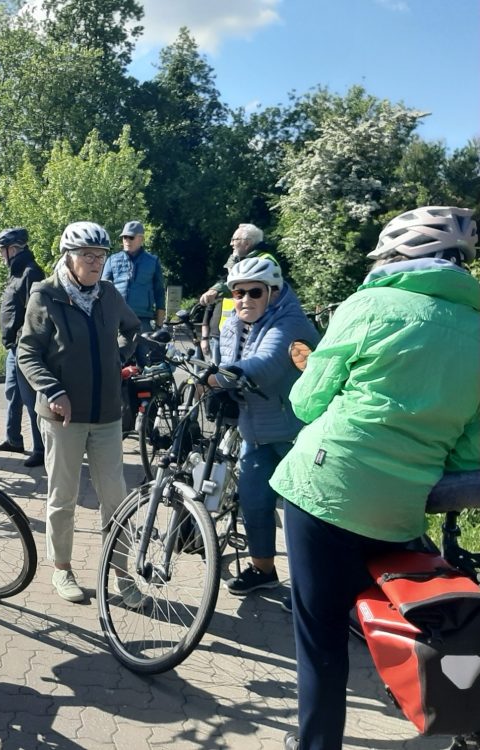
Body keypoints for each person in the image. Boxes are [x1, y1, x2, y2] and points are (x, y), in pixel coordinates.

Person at [269, 206, 480, 750]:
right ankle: (446, 710)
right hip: (403, 503)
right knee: (403, 613)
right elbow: (469, 449)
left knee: (320, 637)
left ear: (400, 257)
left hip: (324, 486)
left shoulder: (370, 304)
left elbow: (306, 402)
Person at [17, 221, 141, 603]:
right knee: (63, 496)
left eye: (101, 255)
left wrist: (118, 357)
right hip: (63, 418)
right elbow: (27, 352)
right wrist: (53, 390)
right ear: (69, 257)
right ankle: (62, 569)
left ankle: (121, 572)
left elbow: (132, 328)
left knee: (116, 498)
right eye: (88, 255)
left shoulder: (108, 294)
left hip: (106, 415)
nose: (96, 262)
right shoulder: (46, 295)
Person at [207, 256, 319, 596]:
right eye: (238, 292)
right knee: (254, 502)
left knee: (306, 512)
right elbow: (223, 361)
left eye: (254, 292)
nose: (245, 299)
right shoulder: (233, 325)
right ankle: (263, 569)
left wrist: (221, 377)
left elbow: (267, 363)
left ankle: (312, 588)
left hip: (296, 433)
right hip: (255, 431)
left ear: (273, 292)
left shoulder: (291, 322)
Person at [0, 227, 47, 468]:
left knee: (31, 400)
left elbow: (37, 312)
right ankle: (13, 439)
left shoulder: (31, 272)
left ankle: (41, 449)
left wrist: (25, 339)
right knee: (12, 394)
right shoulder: (16, 272)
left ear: (12, 249)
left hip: (25, 347)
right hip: (13, 347)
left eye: (1, 251)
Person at [199, 223, 275, 362]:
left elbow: (240, 284)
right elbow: (229, 279)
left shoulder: (261, 261)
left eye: (234, 239)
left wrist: (217, 291)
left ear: (247, 243)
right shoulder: (247, 259)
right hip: (239, 327)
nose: (231, 243)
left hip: (256, 326)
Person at [102, 220, 165, 365]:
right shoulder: (112, 260)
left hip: (143, 318)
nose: (126, 240)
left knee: (146, 359)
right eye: (124, 237)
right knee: (116, 359)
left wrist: (159, 322)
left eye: (130, 237)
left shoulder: (152, 261)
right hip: (117, 317)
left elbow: (159, 292)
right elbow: (102, 288)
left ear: (141, 238)